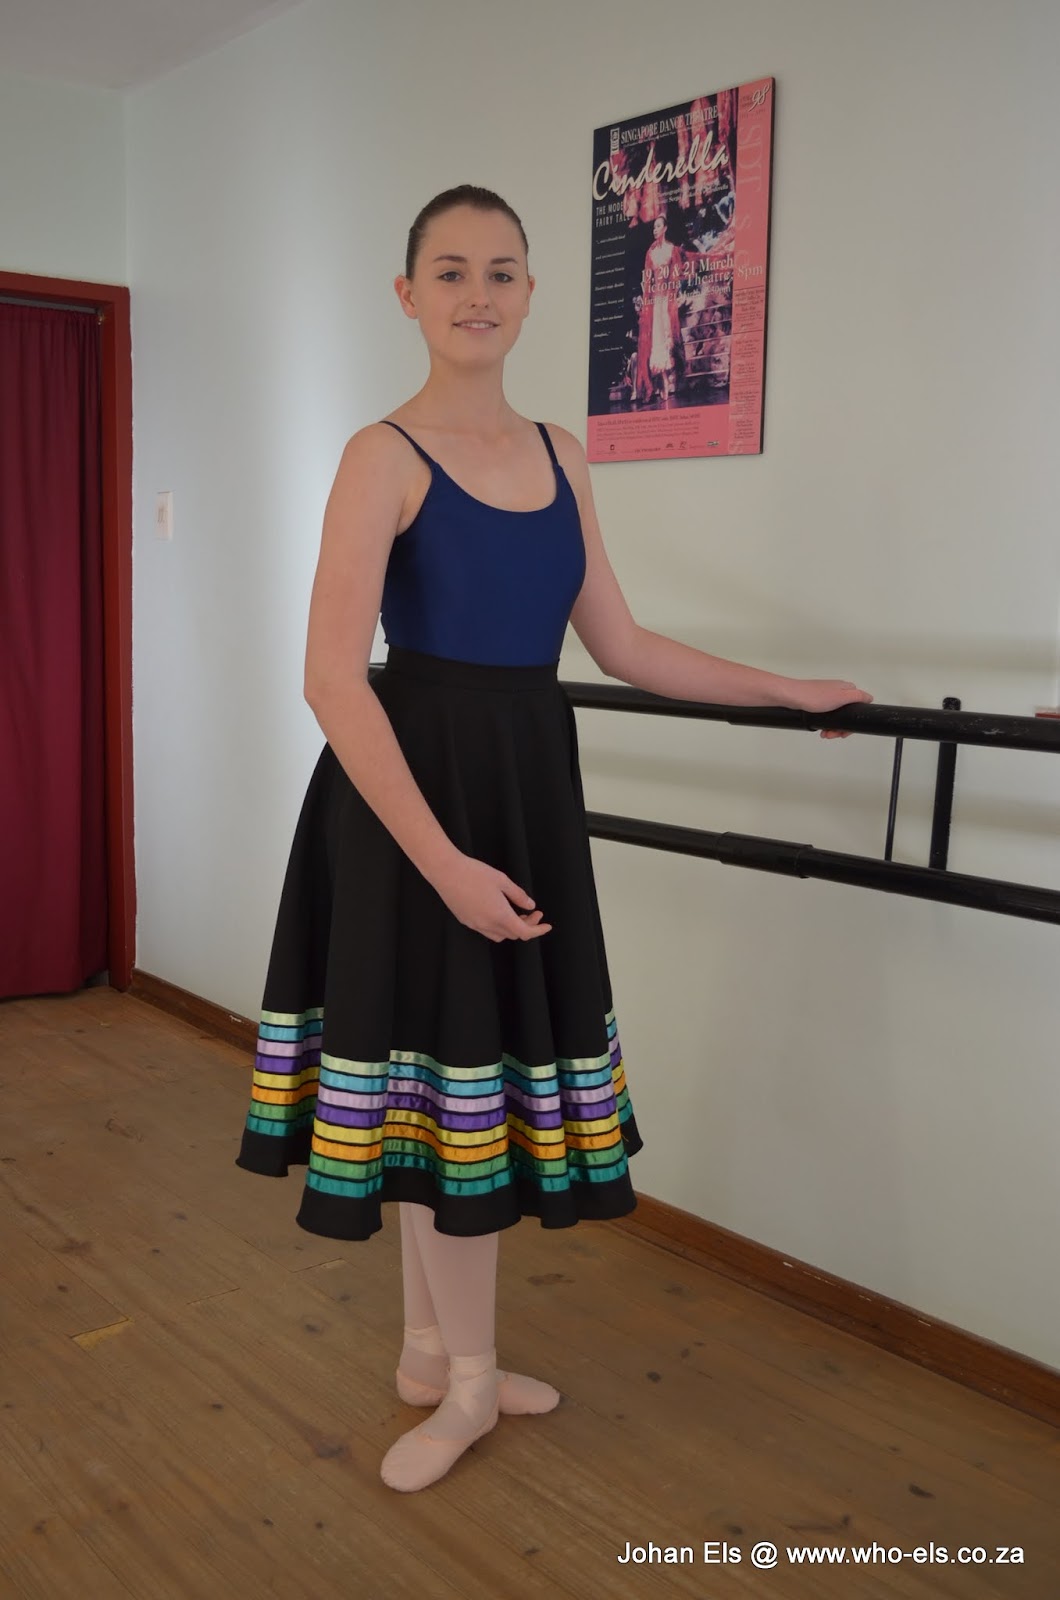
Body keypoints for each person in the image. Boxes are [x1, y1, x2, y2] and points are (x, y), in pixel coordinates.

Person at [234, 184, 872, 1494]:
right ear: (407, 294)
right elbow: (331, 680)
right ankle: (469, 1385)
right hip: (411, 810)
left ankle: (429, 1355)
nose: (478, 293)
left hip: (521, 791)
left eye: (502, 271)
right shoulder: (380, 455)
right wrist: (445, 867)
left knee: (446, 1080)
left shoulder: (564, 454)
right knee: (451, 1081)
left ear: (531, 294)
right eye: (450, 270)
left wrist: (786, 690)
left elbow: (620, 643)